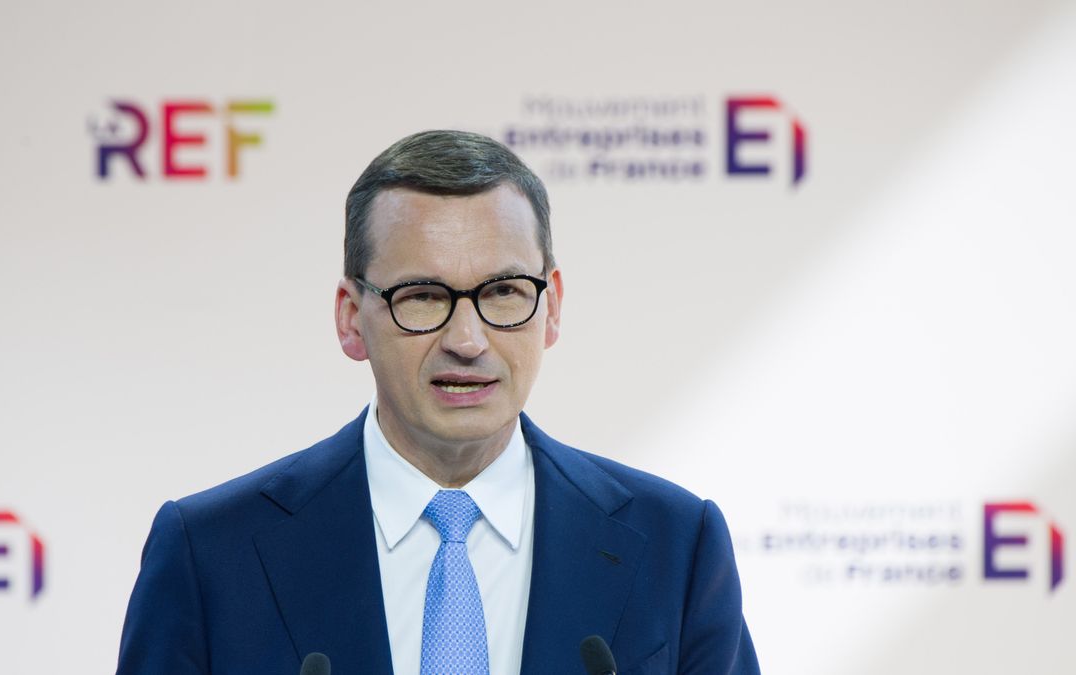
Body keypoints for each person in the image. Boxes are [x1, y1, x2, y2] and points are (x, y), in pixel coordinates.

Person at [116, 130, 760, 675]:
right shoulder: (210, 555)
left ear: (552, 309)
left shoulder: (677, 545)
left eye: (505, 291)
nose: (467, 340)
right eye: (422, 295)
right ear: (351, 318)